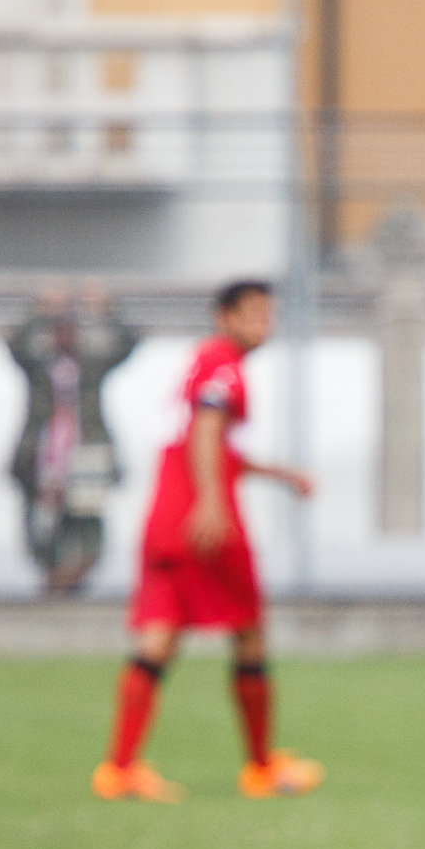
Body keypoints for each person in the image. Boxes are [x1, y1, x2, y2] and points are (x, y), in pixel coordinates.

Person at [94, 279, 321, 803]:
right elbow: (205, 429)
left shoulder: (203, 363)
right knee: (249, 633)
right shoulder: (223, 366)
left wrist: (281, 475)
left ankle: (119, 767)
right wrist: (213, 502)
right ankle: (262, 767)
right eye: (253, 314)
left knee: (159, 638)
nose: (264, 325)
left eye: (269, 314)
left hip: (167, 519)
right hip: (205, 522)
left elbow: (213, 442)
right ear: (224, 317)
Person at [8, 283, 132, 594]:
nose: (64, 337)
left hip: (86, 452)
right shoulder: (39, 368)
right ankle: (51, 572)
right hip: (43, 454)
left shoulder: (90, 367)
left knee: (88, 517)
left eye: (69, 330)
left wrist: (107, 311)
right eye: (57, 331)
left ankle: (76, 574)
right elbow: (14, 344)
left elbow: (128, 344)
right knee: (40, 520)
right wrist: (39, 310)